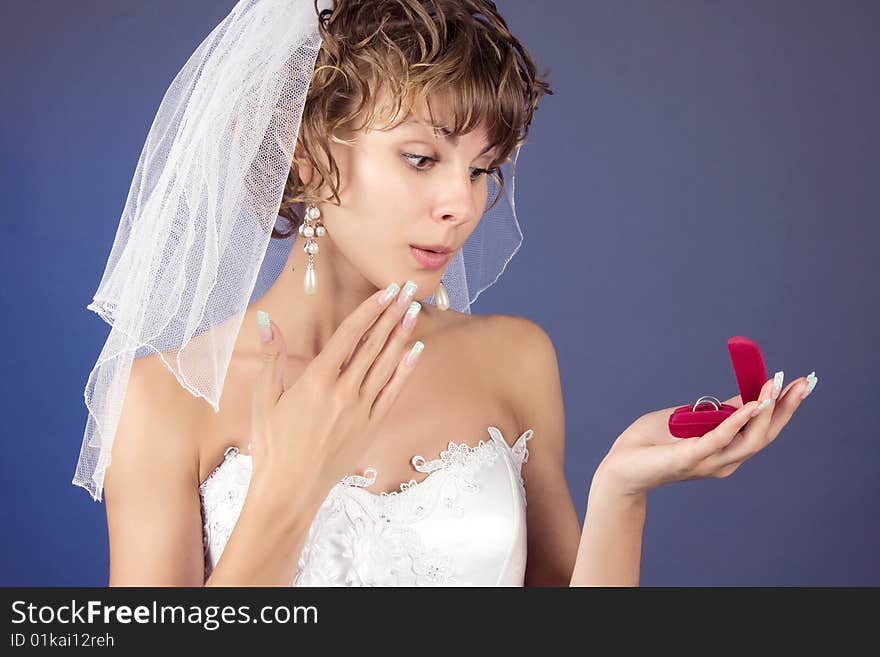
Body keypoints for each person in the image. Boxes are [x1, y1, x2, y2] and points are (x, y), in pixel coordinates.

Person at [78, 0, 818, 586]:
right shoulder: (163, 398)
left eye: (481, 167)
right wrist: (288, 491)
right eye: (421, 157)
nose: (460, 204)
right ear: (303, 158)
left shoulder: (514, 358)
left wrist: (622, 486)